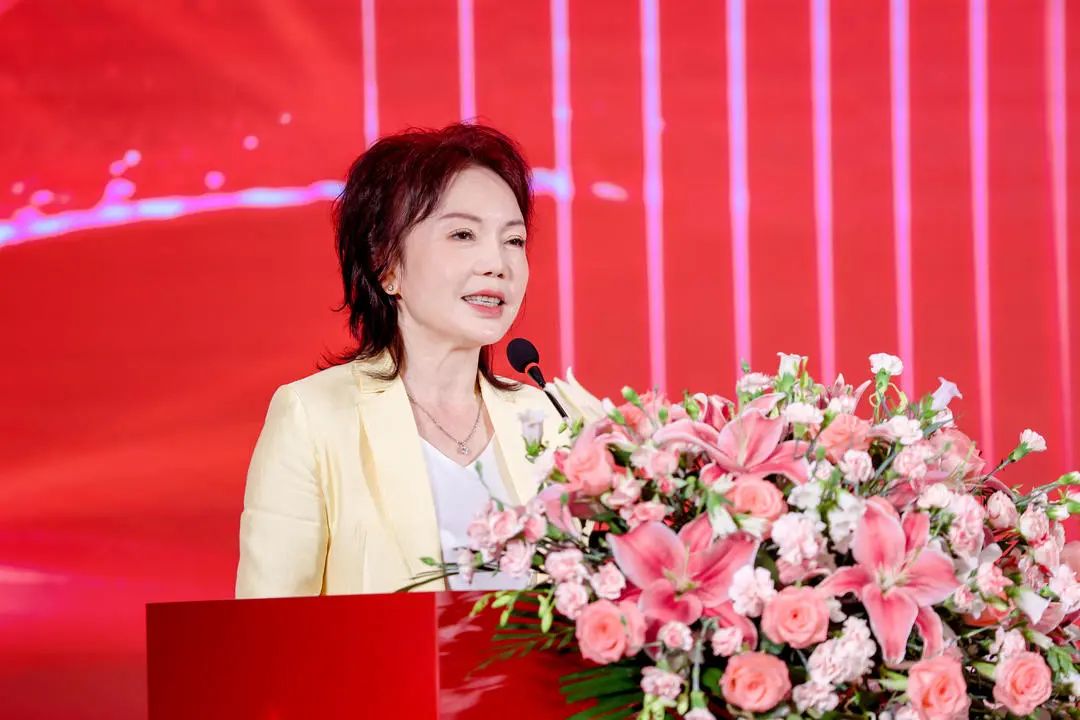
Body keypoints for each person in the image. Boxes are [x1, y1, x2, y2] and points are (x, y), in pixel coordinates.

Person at [235, 123, 563, 598]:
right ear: (387, 263)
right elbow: (266, 627)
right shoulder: (314, 417)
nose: (497, 264)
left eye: (513, 240)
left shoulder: (552, 421)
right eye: (464, 234)